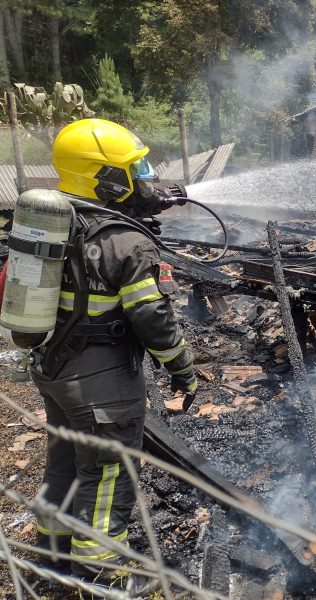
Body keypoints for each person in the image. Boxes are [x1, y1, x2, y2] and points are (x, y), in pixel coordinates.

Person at [30, 119, 197, 591]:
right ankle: (103, 576)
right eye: (132, 169)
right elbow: (153, 320)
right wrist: (183, 369)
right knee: (108, 474)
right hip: (102, 383)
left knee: (64, 461)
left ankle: (51, 557)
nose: (144, 176)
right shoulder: (128, 243)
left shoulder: (57, 221)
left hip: (56, 370)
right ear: (104, 179)